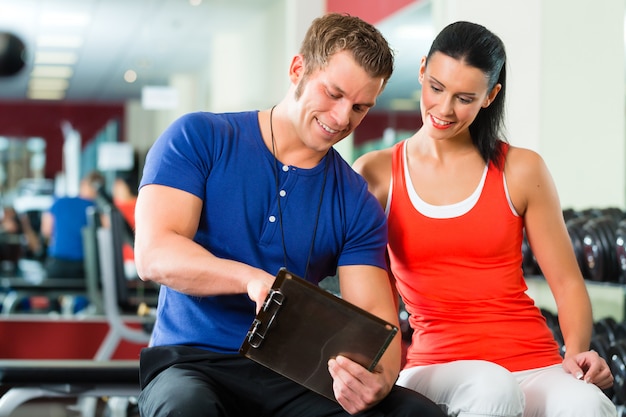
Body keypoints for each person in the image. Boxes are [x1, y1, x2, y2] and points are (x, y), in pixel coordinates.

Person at [133, 12, 445, 417]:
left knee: (414, 413)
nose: (341, 118)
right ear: (298, 69)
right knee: (187, 408)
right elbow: (154, 254)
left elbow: (378, 333)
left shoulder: (355, 201)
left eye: (359, 107)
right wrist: (251, 281)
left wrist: (378, 381)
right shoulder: (199, 138)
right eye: (332, 94)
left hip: (295, 376)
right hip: (192, 364)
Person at [353, 21, 617, 417]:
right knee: (492, 388)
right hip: (436, 366)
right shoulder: (378, 173)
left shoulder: (521, 169)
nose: (443, 109)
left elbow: (565, 281)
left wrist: (579, 353)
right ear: (422, 70)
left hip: (533, 359)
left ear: (490, 96)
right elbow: (375, 294)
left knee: (585, 405)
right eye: (437, 87)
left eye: (464, 98)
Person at [40, 170, 104, 279]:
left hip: (57, 264)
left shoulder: (60, 202)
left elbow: (46, 231)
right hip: (83, 266)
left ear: (83, 183)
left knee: (51, 292)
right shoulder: (97, 210)